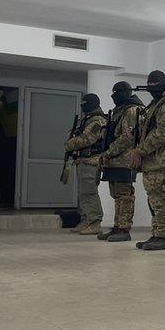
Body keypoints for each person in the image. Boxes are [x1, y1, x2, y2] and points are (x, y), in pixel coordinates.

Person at [131, 70, 165, 251]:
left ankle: (163, 237)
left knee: (160, 200)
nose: (152, 88)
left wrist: (140, 150)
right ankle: (157, 234)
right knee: (154, 200)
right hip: (154, 161)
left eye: (155, 85)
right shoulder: (156, 104)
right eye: (150, 85)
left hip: (163, 161)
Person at [97, 81, 144, 242]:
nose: (113, 95)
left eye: (116, 92)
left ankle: (124, 229)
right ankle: (117, 226)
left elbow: (128, 137)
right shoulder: (119, 110)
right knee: (117, 195)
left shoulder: (132, 110)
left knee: (124, 195)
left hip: (125, 160)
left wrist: (108, 152)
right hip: (114, 160)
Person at [64, 93, 107, 235]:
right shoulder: (87, 119)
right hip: (83, 160)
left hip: (91, 161)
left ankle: (95, 222)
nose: (82, 106)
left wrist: (69, 144)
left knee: (89, 192)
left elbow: (87, 139)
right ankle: (86, 219)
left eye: (84, 104)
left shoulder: (98, 121)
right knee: (83, 193)